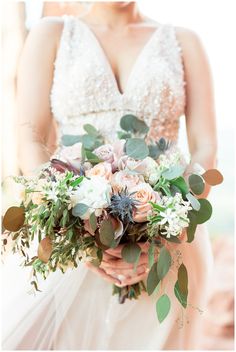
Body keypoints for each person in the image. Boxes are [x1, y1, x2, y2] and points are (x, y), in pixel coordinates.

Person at [2, 1, 217, 350]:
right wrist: (79, 231)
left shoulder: (184, 41)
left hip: (168, 244)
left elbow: (205, 147)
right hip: (69, 236)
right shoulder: (51, 34)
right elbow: (30, 137)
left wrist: (164, 226)